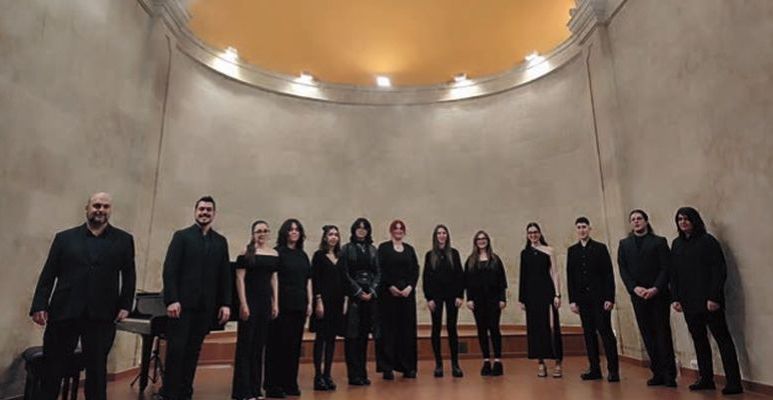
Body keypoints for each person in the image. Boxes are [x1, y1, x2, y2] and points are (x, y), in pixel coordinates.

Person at [30, 192, 136, 400]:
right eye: (96, 205)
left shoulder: (124, 240)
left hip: (102, 314)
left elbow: (130, 275)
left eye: (105, 207)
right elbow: (49, 273)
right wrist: (39, 305)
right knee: (53, 368)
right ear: (87, 208)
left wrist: (125, 304)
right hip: (64, 311)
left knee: (97, 370)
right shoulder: (64, 238)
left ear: (110, 211)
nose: (101, 210)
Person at [160, 196, 232, 400]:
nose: (205, 213)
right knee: (176, 350)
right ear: (195, 212)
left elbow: (224, 276)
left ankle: (185, 391)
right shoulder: (182, 236)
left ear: (214, 214)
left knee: (193, 351)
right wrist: (172, 299)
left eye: (209, 210)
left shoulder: (220, 242)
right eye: (201, 209)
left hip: (204, 307)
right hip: (181, 306)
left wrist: (226, 303)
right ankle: (170, 393)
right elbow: (170, 270)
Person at [670, 207, 743, 395]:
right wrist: (676, 298)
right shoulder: (677, 244)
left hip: (709, 302)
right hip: (689, 302)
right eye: (680, 219)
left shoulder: (708, 242)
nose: (683, 222)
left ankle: (734, 382)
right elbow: (674, 274)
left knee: (723, 340)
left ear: (694, 220)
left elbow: (719, 271)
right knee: (699, 341)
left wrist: (714, 297)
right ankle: (706, 378)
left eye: (687, 219)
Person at [618, 209, 677, 387]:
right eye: (633, 219)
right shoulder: (624, 244)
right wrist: (634, 288)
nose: (636, 222)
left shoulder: (659, 242)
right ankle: (657, 372)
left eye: (639, 219)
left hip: (658, 295)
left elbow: (666, 268)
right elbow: (623, 269)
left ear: (646, 221)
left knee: (662, 333)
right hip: (638, 295)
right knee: (647, 334)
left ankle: (669, 374)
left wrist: (656, 288)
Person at [566, 217, 619, 382]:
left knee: (605, 332)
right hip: (583, 300)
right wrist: (573, 300)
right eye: (579, 227)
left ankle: (613, 370)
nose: (582, 230)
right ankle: (594, 368)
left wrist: (609, 298)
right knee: (588, 334)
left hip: (600, 299)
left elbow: (608, 275)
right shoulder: (572, 251)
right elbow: (571, 277)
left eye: (584, 227)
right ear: (576, 230)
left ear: (590, 229)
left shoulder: (600, 248)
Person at [231, 220, 279, 400]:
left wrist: (276, 303)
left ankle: (255, 389)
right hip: (250, 302)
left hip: (265, 303)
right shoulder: (245, 253)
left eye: (265, 231)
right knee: (246, 346)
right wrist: (243, 304)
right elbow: (239, 279)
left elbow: (274, 280)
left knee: (259, 347)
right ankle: (242, 391)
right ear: (253, 233)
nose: (262, 234)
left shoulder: (274, 254)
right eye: (258, 231)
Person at [264, 219, 312, 398]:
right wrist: (274, 303)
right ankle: (272, 385)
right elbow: (273, 279)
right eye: (291, 229)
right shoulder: (278, 253)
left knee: (294, 346)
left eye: (297, 230)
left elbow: (308, 280)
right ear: (284, 233)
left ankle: (290, 382)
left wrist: (309, 303)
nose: (294, 232)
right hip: (282, 305)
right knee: (277, 345)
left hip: (299, 305)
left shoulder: (302, 255)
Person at [519, 222, 563, 378]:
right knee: (536, 329)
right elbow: (523, 277)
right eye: (530, 232)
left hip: (548, 293)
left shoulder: (549, 250)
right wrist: (522, 299)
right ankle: (541, 363)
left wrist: (557, 295)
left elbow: (555, 272)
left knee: (552, 327)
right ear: (527, 235)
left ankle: (557, 362)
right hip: (531, 296)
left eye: (535, 232)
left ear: (540, 233)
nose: (533, 235)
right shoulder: (524, 253)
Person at [377, 220, 420, 380]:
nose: (398, 231)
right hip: (388, 296)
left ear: (404, 232)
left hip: (407, 296)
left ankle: (408, 367)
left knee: (406, 332)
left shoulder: (409, 249)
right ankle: (387, 367)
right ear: (391, 231)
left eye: (401, 228)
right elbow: (380, 269)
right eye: (395, 228)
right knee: (388, 331)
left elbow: (415, 270)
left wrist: (410, 287)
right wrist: (390, 286)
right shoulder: (383, 248)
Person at [340, 218, 380, 386]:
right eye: (359, 228)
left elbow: (379, 273)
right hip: (353, 298)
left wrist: (371, 291)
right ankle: (353, 374)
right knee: (352, 337)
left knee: (364, 336)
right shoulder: (346, 249)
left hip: (369, 297)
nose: (361, 231)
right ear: (353, 230)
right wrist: (357, 291)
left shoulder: (373, 250)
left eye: (365, 228)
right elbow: (344, 274)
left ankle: (362, 373)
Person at [422, 224, 465, 378]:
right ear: (435, 236)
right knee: (436, 328)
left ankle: (455, 364)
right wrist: (429, 298)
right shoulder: (430, 255)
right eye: (439, 233)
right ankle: (439, 364)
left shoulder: (454, 254)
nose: (441, 236)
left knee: (452, 328)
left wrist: (460, 295)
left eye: (444, 233)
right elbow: (426, 278)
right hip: (436, 297)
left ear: (447, 236)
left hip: (452, 296)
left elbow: (460, 276)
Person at [464, 230, 507, 377]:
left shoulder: (495, 259)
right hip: (478, 301)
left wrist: (503, 299)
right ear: (475, 242)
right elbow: (467, 283)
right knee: (481, 330)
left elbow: (502, 281)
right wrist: (469, 299)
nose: (481, 241)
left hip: (494, 300)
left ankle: (498, 361)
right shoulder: (470, 261)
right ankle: (486, 361)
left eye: (484, 239)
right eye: (479, 239)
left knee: (494, 329)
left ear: (488, 241)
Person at [310, 225, 347, 391]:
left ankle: (327, 374)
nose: (333, 237)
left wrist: (345, 300)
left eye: (336, 235)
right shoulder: (318, 256)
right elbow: (315, 280)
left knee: (332, 339)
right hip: (323, 302)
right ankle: (318, 376)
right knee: (321, 339)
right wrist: (318, 300)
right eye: (330, 234)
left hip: (337, 302)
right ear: (325, 237)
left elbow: (345, 279)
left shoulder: (341, 256)